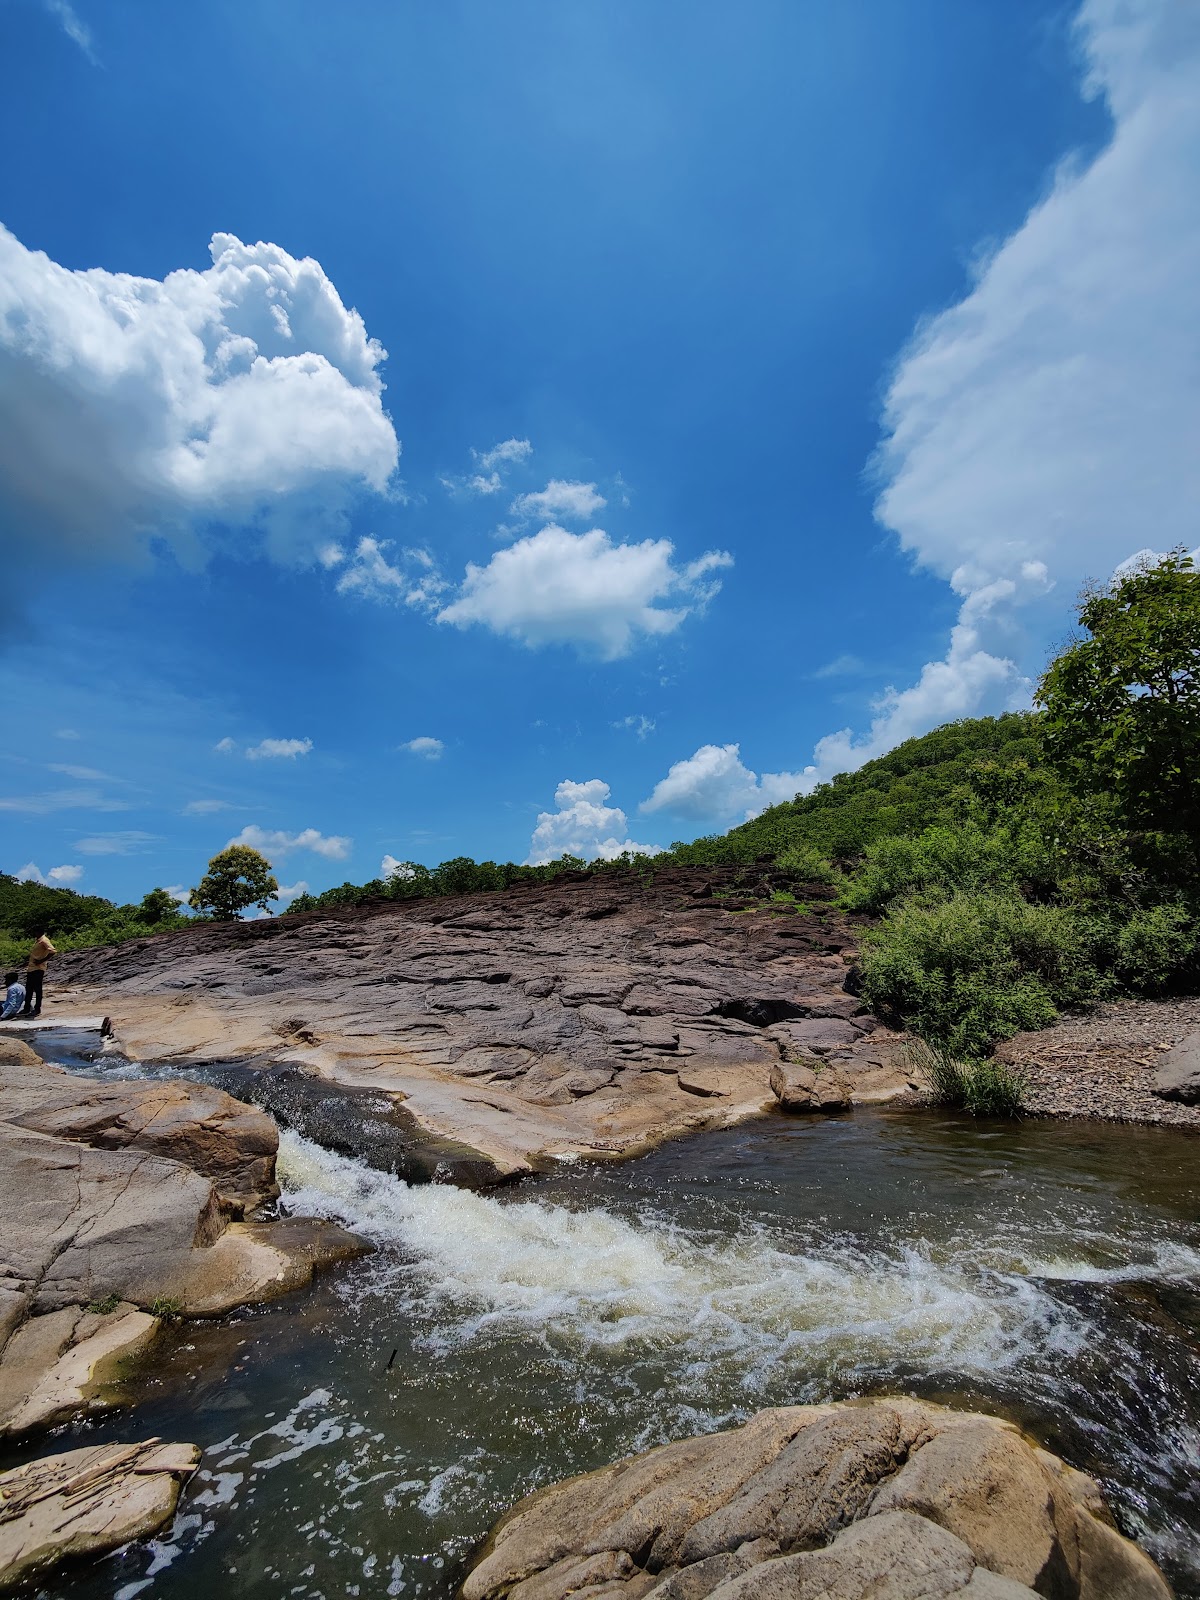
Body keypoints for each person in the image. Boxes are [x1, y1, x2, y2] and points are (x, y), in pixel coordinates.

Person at [22, 933, 55, 1018]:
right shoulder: (38, 941)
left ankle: (37, 1009)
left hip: (38, 968)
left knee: (37, 989)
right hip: (32, 968)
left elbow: (53, 951)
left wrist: (41, 961)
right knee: (29, 989)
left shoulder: (44, 940)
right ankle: (27, 1007)